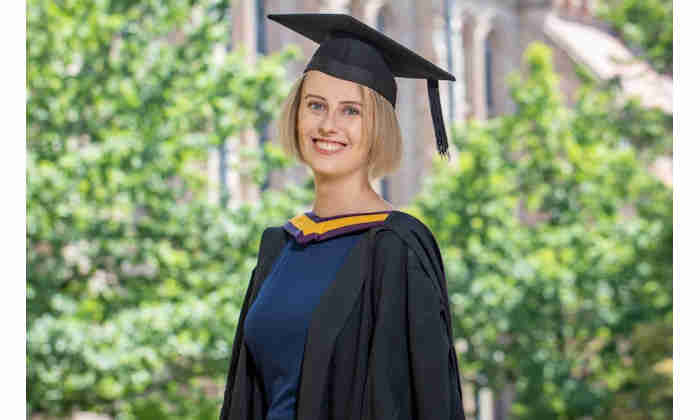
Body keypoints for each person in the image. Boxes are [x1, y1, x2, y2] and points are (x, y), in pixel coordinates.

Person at [219, 13, 466, 420]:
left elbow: (426, 400)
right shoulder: (279, 247)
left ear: (378, 128)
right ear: (297, 115)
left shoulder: (397, 248)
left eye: (351, 111)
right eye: (316, 105)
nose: (328, 125)